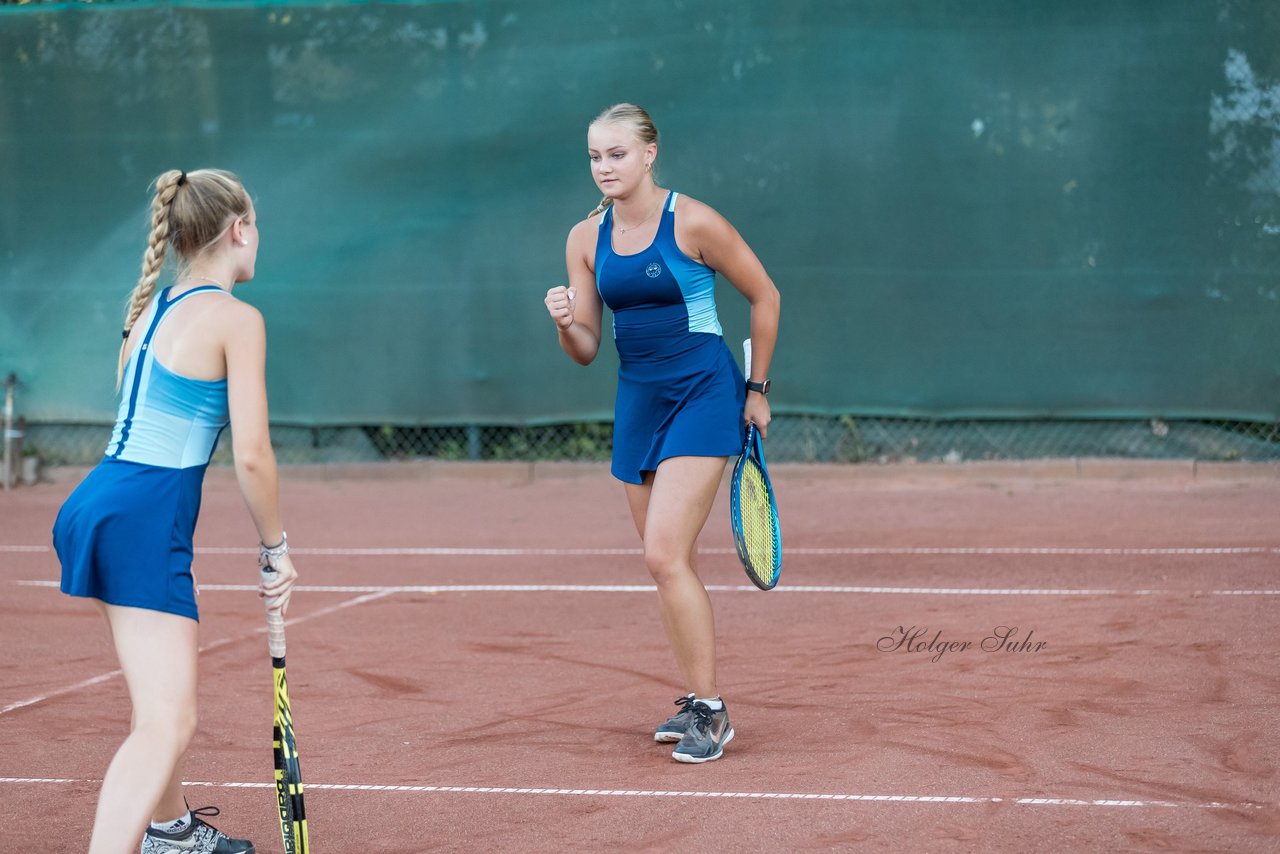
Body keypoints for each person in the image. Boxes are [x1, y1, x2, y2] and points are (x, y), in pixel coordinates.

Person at [52, 168, 299, 853]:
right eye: (258, 226)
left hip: (94, 504)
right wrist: (276, 547)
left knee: (156, 700)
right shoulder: (236, 320)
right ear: (239, 230)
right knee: (169, 722)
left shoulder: (150, 309)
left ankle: (170, 831)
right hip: (141, 517)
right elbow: (251, 455)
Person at [544, 104, 781, 763]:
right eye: (595, 156)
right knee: (670, 562)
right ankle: (696, 697)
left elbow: (767, 296)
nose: (604, 167)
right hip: (638, 400)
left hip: (705, 391)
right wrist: (565, 321)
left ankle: (712, 712)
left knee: (662, 553)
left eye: (617, 154)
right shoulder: (584, 239)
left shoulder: (695, 222)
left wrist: (756, 390)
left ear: (650, 154)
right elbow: (587, 347)